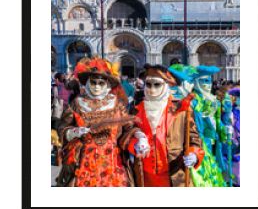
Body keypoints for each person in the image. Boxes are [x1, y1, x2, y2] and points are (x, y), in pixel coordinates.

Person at [56, 56, 147, 187]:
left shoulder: (116, 104)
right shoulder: (78, 103)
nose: (97, 86)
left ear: (107, 85)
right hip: (84, 160)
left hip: (113, 160)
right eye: (93, 82)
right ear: (87, 83)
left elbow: (128, 126)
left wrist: (139, 136)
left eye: (101, 83)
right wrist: (73, 132)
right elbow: (62, 127)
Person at [128, 64, 204, 187]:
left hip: (174, 175)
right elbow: (127, 134)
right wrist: (134, 144)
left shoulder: (180, 109)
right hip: (144, 177)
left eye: (157, 85)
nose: (152, 89)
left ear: (165, 85)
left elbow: (193, 139)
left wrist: (194, 154)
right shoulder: (135, 109)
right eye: (148, 84)